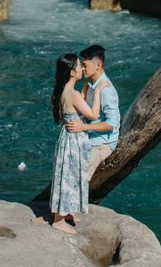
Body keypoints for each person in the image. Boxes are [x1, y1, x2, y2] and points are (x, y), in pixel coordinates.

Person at [49, 53, 109, 234]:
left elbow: (75, 104)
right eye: (79, 66)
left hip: (66, 137)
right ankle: (58, 221)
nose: (83, 68)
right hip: (74, 140)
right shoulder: (73, 94)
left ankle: (64, 212)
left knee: (67, 175)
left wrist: (84, 86)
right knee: (69, 176)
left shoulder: (62, 90)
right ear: (72, 72)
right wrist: (97, 91)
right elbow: (92, 115)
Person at [66, 45, 120, 181]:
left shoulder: (106, 90)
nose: (82, 68)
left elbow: (112, 124)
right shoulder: (91, 82)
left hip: (101, 143)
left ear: (97, 65)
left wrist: (84, 127)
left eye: (85, 65)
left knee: (79, 178)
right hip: (90, 136)